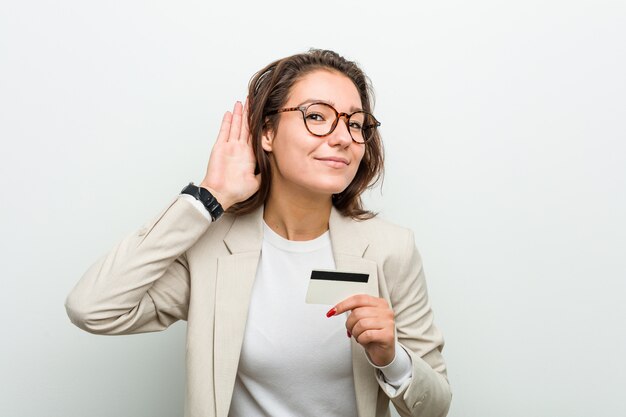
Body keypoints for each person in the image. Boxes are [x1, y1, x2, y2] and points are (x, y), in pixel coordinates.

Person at [65, 49, 452, 417]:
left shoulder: (390, 248)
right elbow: (93, 308)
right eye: (317, 116)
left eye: (354, 123)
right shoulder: (211, 251)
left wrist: (392, 358)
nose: (342, 137)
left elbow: (436, 406)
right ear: (267, 133)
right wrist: (208, 197)